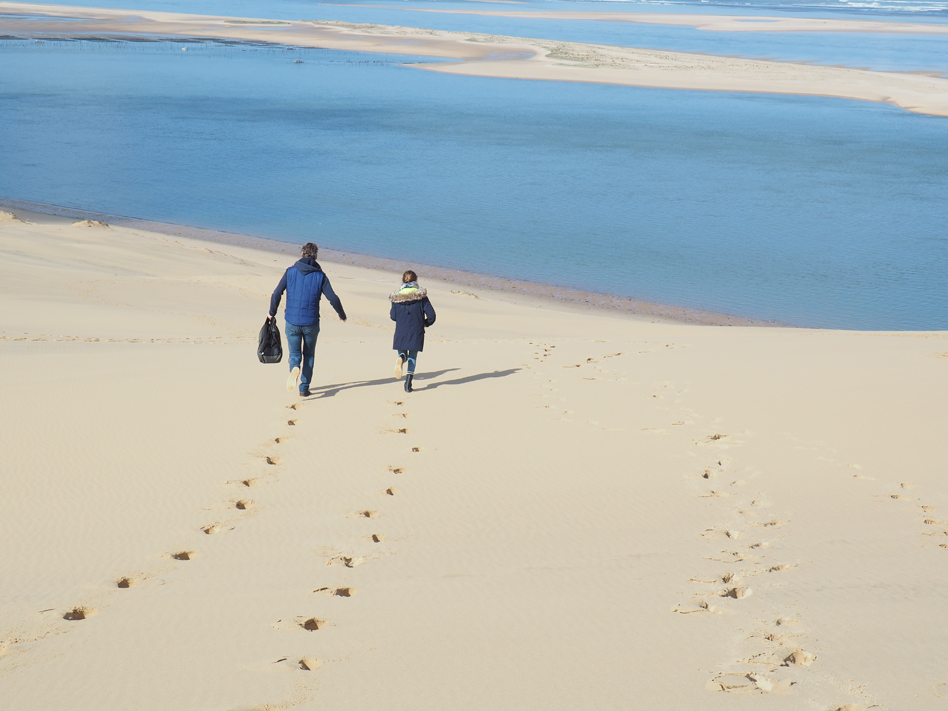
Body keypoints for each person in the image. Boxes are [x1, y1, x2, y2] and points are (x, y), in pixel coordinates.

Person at [268, 243, 346, 397]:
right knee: (309, 355)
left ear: (302, 254)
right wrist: (341, 314)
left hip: (292, 321)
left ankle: (294, 368)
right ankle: (304, 388)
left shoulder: (290, 272)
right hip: (311, 323)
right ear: (316, 256)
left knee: (295, 354)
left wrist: (272, 312)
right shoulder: (320, 276)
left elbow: (276, 293)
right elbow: (333, 298)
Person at [390, 270, 436, 393]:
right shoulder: (421, 297)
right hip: (416, 330)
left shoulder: (395, 297)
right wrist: (425, 323)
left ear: (403, 280)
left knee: (403, 352)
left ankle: (401, 357)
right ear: (416, 281)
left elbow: (393, 316)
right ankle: (408, 384)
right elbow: (432, 315)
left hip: (401, 330)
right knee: (413, 357)